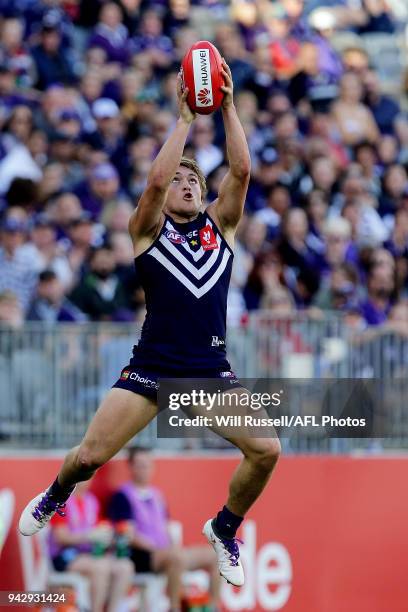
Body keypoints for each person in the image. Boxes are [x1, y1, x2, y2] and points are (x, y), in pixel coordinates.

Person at [19, 62, 281, 605]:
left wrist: (228, 105)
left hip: (207, 374)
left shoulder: (222, 228)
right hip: (151, 368)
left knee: (266, 451)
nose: (186, 183)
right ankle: (56, 493)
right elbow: (157, 180)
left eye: (195, 180)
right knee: (89, 457)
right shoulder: (146, 231)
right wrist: (185, 117)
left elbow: (243, 170)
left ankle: (224, 528)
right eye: (179, 180)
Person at [108, 446, 220, 610]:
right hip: (142, 556)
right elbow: (128, 535)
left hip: (167, 553)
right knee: (176, 558)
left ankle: (212, 607)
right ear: (131, 467)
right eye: (140, 465)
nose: (145, 469)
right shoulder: (122, 496)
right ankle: (174, 607)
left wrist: (173, 546)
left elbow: (167, 527)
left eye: (148, 464)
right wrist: (160, 548)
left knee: (216, 555)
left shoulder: (157, 494)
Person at [48, 480, 134, 612]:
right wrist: (88, 536)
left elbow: (101, 529)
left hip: (90, 555)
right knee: (101, 566)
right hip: (64, 556)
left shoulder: (92, 501)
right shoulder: (60, 500)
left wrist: (113, 537)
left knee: (125, 567)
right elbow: (61, 537)